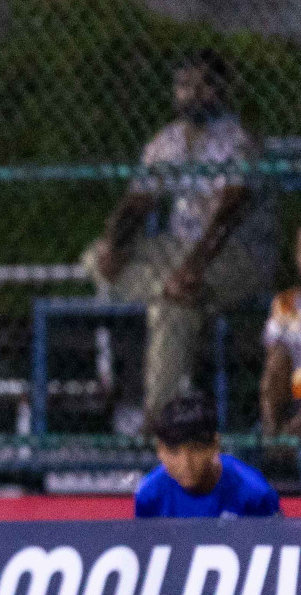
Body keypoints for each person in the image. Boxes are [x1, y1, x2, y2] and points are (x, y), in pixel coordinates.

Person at [84, 50, 277, 425]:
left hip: (235, 254)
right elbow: (137, 202)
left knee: (173, 309)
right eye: (185, 85)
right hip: (176, 252)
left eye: (205, 84)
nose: (194, 93)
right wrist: (114, 244)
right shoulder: (168, 141)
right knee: (95, 257)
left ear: (223, 90)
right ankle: (168, 287)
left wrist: (191, 269)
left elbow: (229, 213)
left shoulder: (239, 141)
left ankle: (158, 424)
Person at [135, 393, 279, 518]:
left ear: (215, 444)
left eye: (196, 449)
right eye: (174, 452)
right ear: (160, 450)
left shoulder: (255, 493)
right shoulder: (149, 495)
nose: (186, 463)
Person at [260, 228, 301, 440]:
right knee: (276, 361)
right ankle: (273, 441)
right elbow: (274, 361)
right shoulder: (285, 303)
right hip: (296, 389)